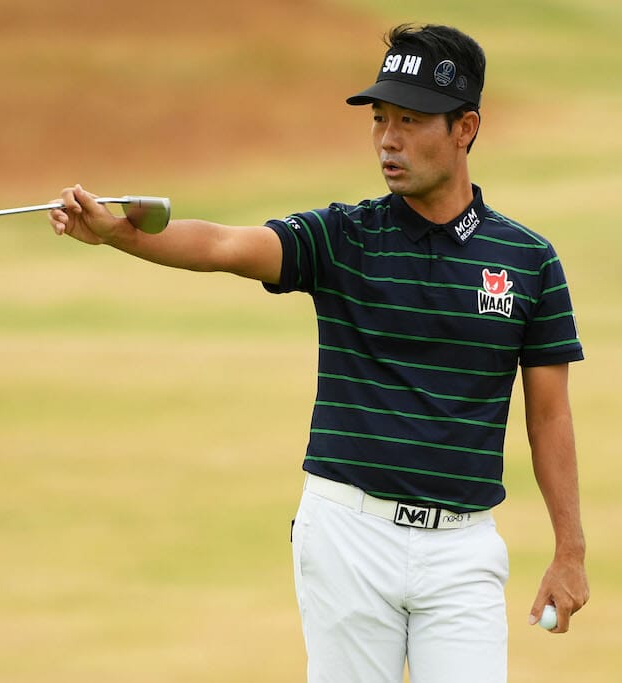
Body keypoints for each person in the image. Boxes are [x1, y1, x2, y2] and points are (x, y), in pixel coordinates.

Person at [48, 22, 589, 683]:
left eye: (411, 120)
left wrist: (570, 549)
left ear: (465, 128)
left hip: (463, 548)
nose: (388, 139)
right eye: (380, 118)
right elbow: (223, 245)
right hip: (347, 536)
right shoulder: (343, 236)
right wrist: (119, 235)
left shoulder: (528, 260)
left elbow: (550, 416)